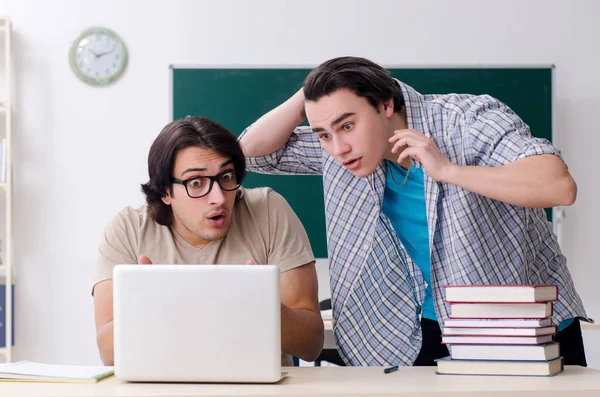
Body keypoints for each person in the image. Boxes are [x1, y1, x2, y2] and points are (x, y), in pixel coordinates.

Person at [239, 56, 590, 367]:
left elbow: (558, 186)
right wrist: (312, 94)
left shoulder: (467, 121)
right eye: (323, 134)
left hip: (521, 325)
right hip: (422, 328)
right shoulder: (342, 152)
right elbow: (251, 154)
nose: (338, 148)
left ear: (385, 104)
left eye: (347, 125)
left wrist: (448, 171)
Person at [92, 116, 324, 366]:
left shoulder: (269, 210)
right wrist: (153, 308)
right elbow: (108, 352)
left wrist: (264, 307)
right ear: (166, 193)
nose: (219, 198)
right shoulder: (127, 230)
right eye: (196, 182)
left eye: (226, 176)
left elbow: (311, 344)